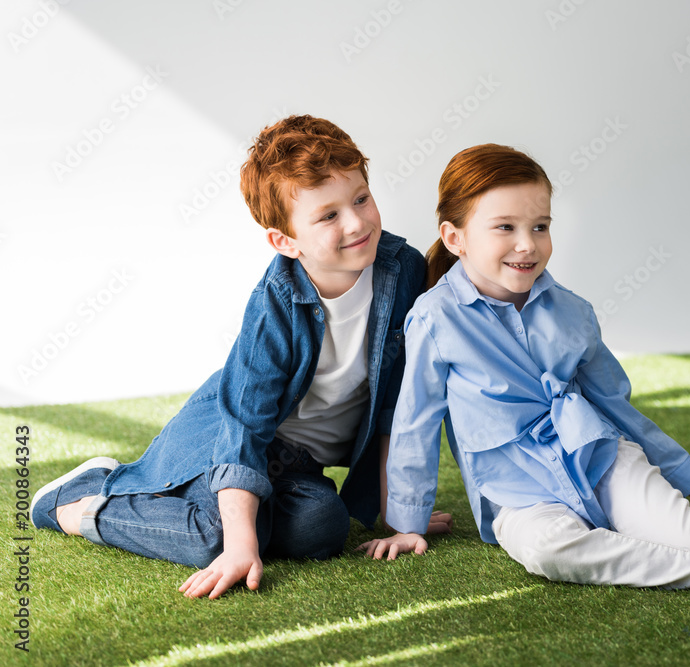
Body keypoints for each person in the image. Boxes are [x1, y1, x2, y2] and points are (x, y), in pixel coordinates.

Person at [359, 144, 690, 599]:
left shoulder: (573, 313)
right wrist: (407, 522)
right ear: (454, 237)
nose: (528, 245)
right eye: (504, 227)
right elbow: (414, 421)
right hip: (517, 494)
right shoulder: (434, 318)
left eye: (541, 226)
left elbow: (618, 409)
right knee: (549, 552)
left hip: (602, 461)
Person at [31, 115, 451, 599]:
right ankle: (78, 502)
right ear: (284, 241)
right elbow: (244, 425)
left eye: (360, 198)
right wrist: (240, 544)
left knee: (323, 526)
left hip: (296, 464)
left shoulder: (403, 271)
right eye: (328, 215)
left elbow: (392, 406)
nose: (356, 222)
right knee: (216, 539)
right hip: (225, 432)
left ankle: (241, 514)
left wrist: (399, 512)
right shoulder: (276, 302)